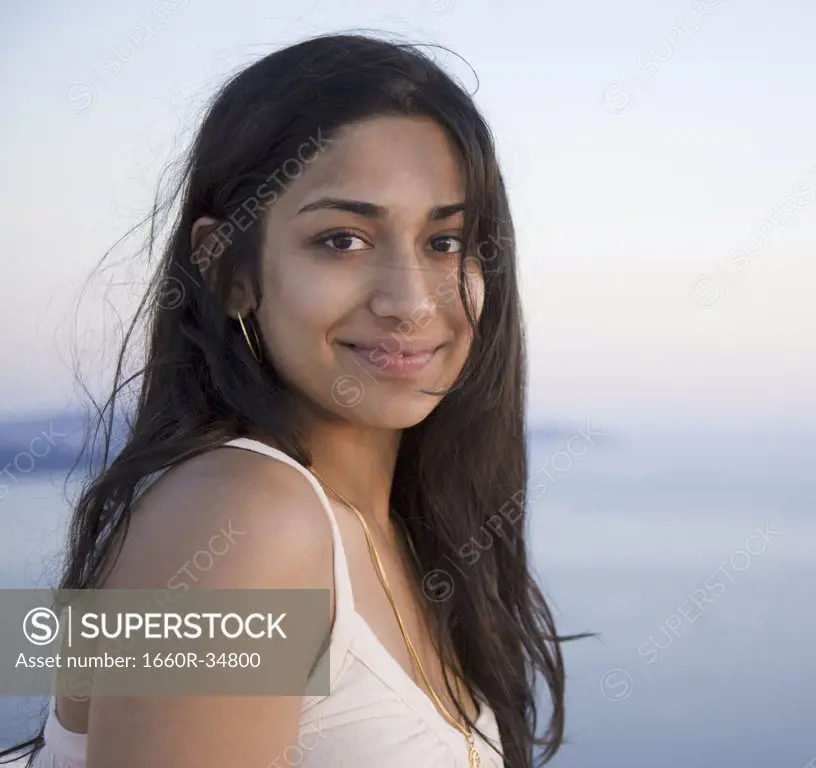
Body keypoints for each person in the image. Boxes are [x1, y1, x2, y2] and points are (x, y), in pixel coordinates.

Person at [0, 32, 579, 768]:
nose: (409, 302)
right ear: (228, 269)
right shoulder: (243, 517)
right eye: (342, 240)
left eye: (445, 242)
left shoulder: (397, 532)